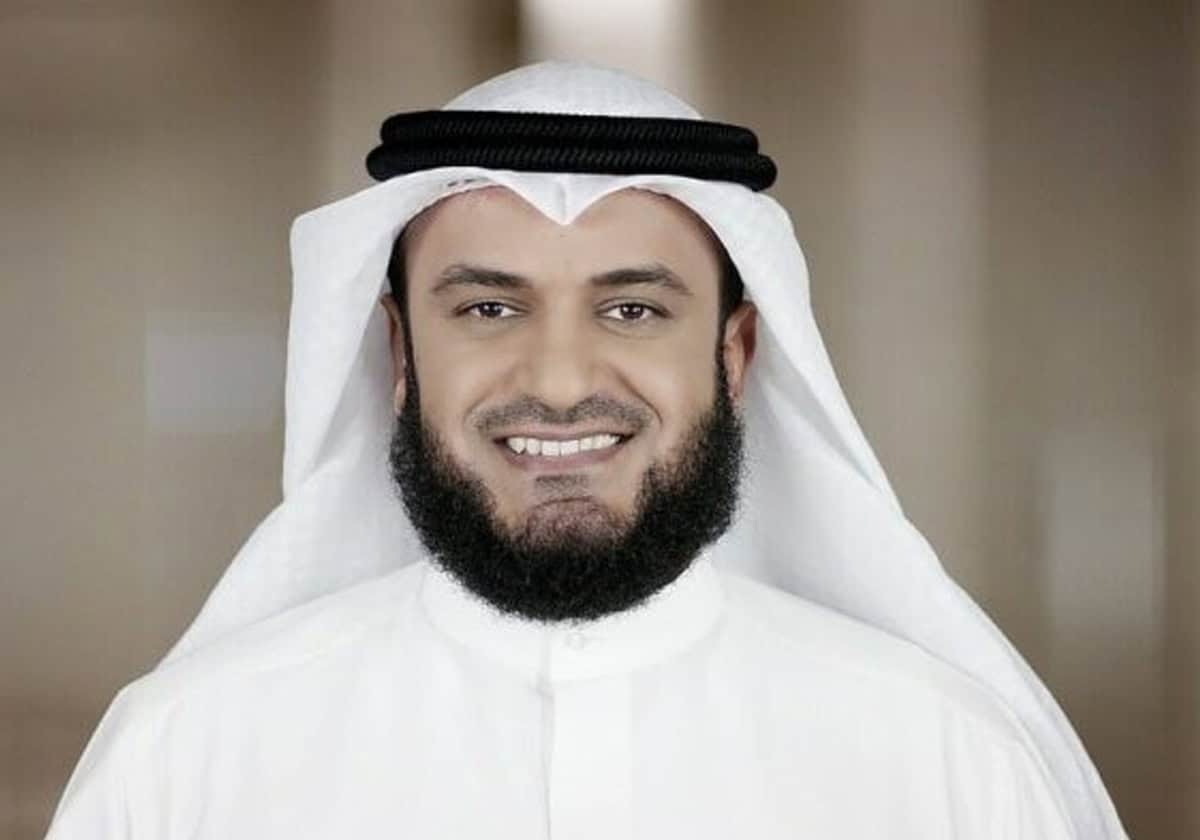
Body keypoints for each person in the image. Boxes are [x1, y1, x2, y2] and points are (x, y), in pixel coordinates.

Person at [45, 61, 1127, 839]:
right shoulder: (186, 760)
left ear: (736, 353)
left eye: (632, 310)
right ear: (401, 354)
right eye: (488, 309)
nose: (560, 382)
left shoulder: (948, 766)